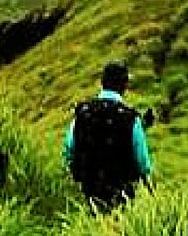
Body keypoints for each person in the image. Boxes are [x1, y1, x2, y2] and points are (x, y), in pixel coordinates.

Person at [65, 60, 155, 210]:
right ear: (125, 85)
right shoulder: (131, 118)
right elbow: (143, 162)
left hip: (89, 190)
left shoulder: (83, 113)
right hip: (121, 194)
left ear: (102, 82)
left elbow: (69, 149)